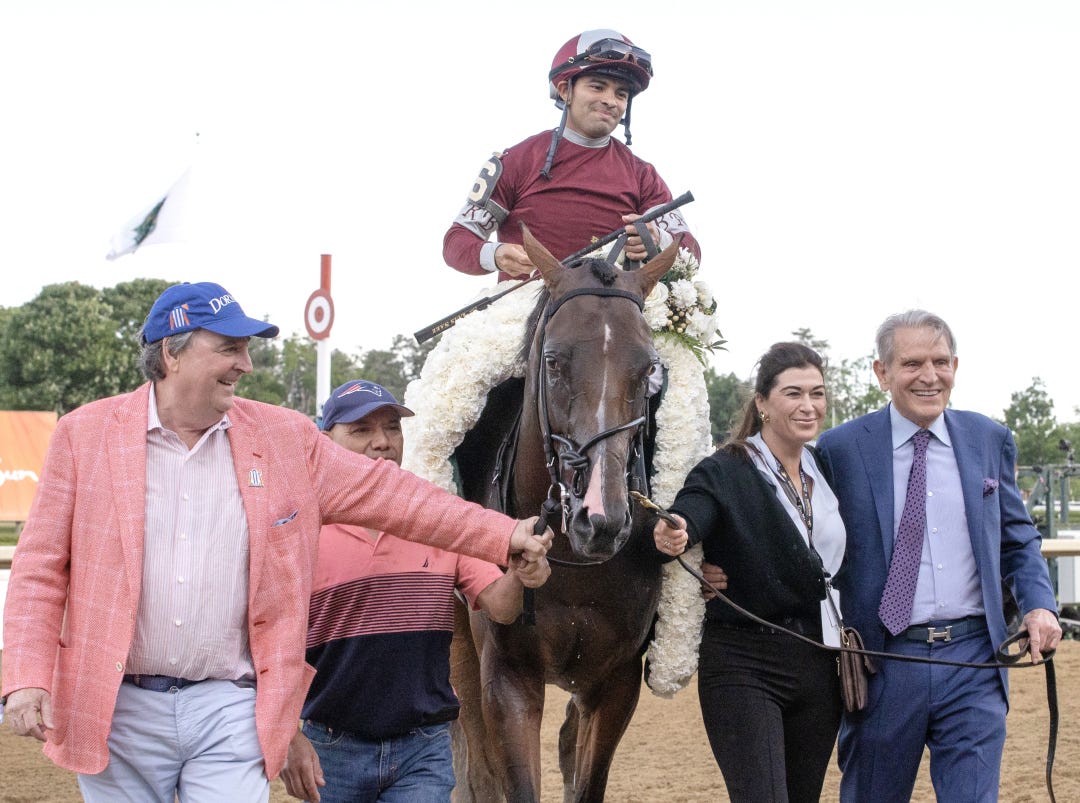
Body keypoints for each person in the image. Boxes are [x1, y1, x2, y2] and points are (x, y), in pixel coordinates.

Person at [0, 281, 552, 803]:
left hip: (231, 703)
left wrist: (502, 534)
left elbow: (399, 497)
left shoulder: (284, 439)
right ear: (172, 353)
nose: (246, 363)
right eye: (230, 348)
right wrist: (24, 677)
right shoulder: (82, 435)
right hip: (115, 707)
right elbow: (40, 567)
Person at [816, 309, 1062, 802]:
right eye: (911, 364)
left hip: (975, 660)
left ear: (955, 365)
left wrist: (1039, 604)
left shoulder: (990, 438)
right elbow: (806, 538)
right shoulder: (839, 449)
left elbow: (1017, 538)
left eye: (940, 361)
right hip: (882, 660)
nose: (929, 376)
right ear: (881, 373)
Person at [280, 380, 551, 803]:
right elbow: (271, 644)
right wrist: (288, 737)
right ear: (323, 440)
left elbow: (500, 606)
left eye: (392, 428)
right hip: (332, 750)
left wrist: (520, 576)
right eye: (360, 431)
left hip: (422, 749)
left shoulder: (439, 521)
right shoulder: (296, 528)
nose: (382, 443)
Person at [653, 342, 845, 803]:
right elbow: (692, 510)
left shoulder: (828, 468)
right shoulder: (725, 468)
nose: (809, 406)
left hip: (820, 663)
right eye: (793, 393)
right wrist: (676, 530)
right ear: (761, 402)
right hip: (744, 662)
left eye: (817, 394)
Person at [443, 28, 701, 282]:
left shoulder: (643, 175)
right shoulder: (516, 160)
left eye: (621, 94)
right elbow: (456, 241)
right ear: (566, 90)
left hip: (615, 314)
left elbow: (691, 252)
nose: (611, 101)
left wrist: (659, 240)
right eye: (598, 87)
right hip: (528, 312)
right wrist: (495, 254)